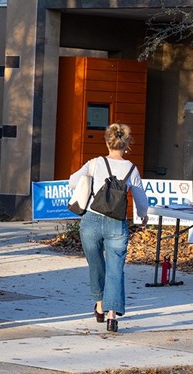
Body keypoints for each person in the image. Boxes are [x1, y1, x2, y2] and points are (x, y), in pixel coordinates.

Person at [69, 123, 148, 333]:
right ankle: (113, 315)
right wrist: (143, 215)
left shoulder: (94, 163)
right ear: (127, 144)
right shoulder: (132, 168)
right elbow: (140, 196)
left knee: (95, 265)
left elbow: (72, 182)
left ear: (107, 142)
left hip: (92, 221)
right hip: (117, 223)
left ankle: (100, 304)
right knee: (116, 269)